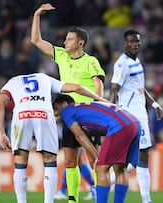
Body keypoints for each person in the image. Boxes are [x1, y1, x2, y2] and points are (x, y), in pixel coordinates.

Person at [31, 3, 106, 202]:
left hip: (88, 114)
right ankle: (73, 199)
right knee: (71, 160)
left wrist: (97, 106)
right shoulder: (61, 56)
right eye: (66, 38)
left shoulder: (91, 61)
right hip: (69, 114)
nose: (65, 41)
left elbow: (99, 85)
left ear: (80, 43)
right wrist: (37, 14)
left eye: (69, 39)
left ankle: (100, 196)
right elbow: (36, 40)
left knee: (94, 159)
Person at [0, 73, 106, 203]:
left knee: (20, 162)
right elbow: (76, 88)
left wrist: (1, 133)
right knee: (49, 160)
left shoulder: (12, 81)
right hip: (44, 113)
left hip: (21, 115)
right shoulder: (44, 78)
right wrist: (99, 98)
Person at [109, 29, 163, 203]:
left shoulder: (137, 61)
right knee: (142, 154)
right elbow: (114, 88)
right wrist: (112, 113)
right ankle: (146, 199)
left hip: (140, 111)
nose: (135, 44)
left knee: (137, 156)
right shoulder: (122, 63)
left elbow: (140, 88)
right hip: (131, 113)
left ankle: (102, 183)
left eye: (137, 42)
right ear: (125, 43)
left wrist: (154, 104)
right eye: (131, 41)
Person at [52, 94, 141, 203]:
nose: (55, 112)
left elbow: (79, 135)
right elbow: (94, 129)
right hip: (134, 123)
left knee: (101, 169)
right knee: (120, 169)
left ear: (64, 103)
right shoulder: (85, 107)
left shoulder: (67, 110)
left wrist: (96, 155)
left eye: (55, 108)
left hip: (119, 126)